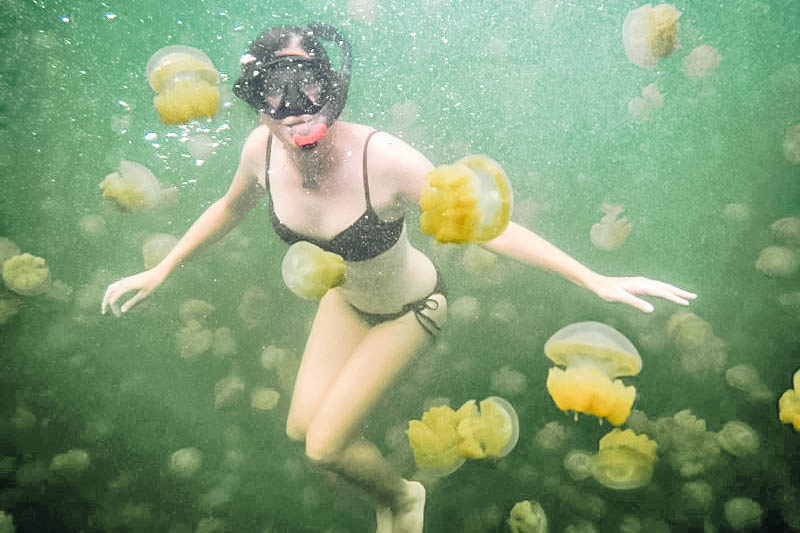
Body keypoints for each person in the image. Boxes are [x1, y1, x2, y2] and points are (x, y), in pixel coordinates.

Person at [101, 23, 697, 533]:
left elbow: (486, 226)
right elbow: (230, 208)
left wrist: (591, 276)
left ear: (332, 86)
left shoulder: (381, 158)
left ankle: (404, 496)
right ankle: (390, 491)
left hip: (413, 309)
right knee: (299, 426)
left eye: (309, 83)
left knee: (324, 446)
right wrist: (165, 266)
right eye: (274, 89)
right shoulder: (259, 150)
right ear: (255, 100)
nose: (296, 104)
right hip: (344, 303)